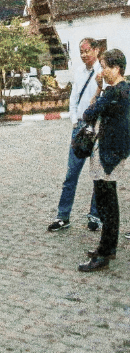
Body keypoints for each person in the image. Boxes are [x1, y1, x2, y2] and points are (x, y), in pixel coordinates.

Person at [77, 48, 129, 272]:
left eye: (105, 67)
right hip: (115, 152)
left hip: (108, 155)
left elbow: (88, 114)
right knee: (108, 203)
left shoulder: (114, 92)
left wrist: (99, 88)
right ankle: (107, 248)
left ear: (116, 68)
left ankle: (105, 253)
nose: (102, 71)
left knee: (107, 205)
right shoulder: (126, 89)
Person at [48, 38, 104, 232]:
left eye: (87, 51)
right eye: (81, 51)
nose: (84, 55)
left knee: (98, 175)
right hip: (80, 127)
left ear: (96, 50)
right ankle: (63, 216)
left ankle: (95, 216)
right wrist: (74, 120)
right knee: (71, 174)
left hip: (98, 128)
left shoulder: (103, 72)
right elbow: (74, 98)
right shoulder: (79, 72)